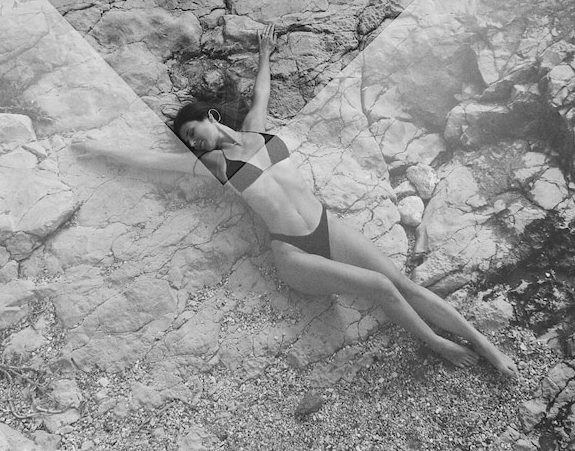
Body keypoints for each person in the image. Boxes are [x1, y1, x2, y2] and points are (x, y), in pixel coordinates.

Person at [74, 24, 518, 377]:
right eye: (189, 143)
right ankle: (438, 344)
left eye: (194, 133)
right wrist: (98, 150)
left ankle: (485, 344)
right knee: (380, 287)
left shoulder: (258, 130)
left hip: (328, 226)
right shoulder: (213, 167)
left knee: (406, 284)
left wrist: (265, 55)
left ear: (210, 117)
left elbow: (260, 92)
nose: (195, 143)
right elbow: (147, 160)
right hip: (292, 252)